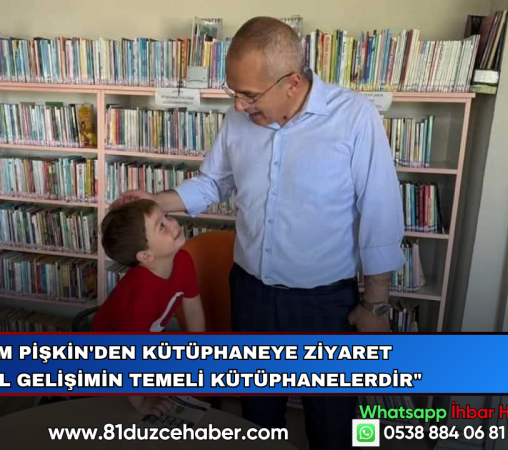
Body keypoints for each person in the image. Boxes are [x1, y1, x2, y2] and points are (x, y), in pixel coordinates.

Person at [110, 16, 404, 450]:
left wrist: (376, 305)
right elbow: (212, 184)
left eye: (248, 95)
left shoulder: (354, 118)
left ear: (292, 82)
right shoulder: (239, 122)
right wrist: (154, 201)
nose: (239, 107)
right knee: (258, 419)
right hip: (251, 294)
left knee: (332, 421)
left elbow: (380, 214)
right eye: (234, 93)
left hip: (322, 305)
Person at [92, 199, 206, 416]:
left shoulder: (183, 259)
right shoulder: (142, 290)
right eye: (161, 226)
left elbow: (193, 309)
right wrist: (141, 402)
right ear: (145, 256)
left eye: (167, 216)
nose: (173, 223)